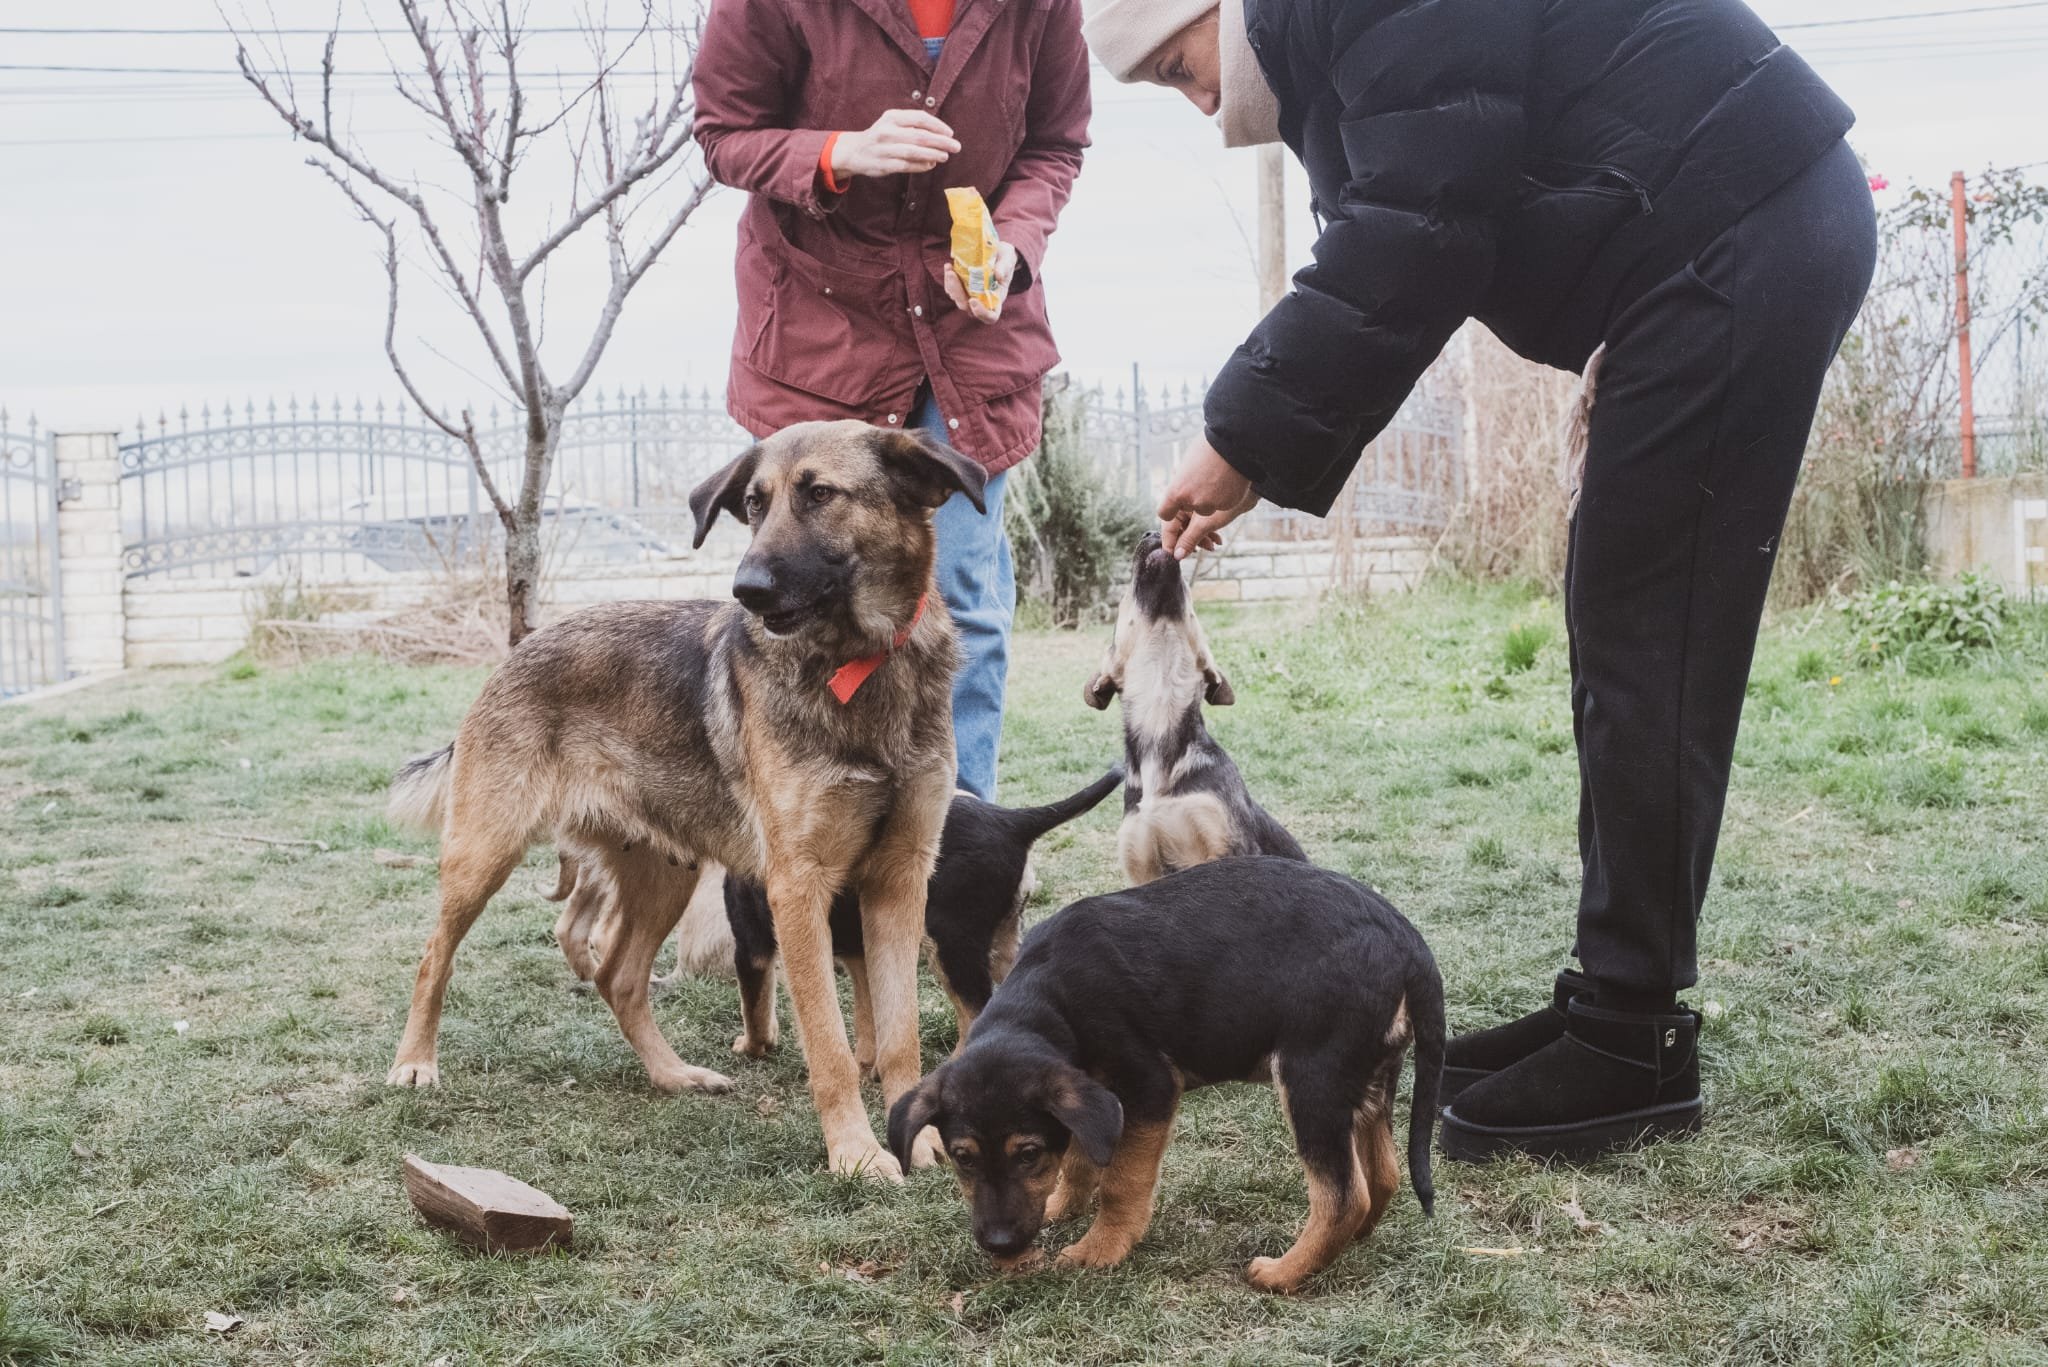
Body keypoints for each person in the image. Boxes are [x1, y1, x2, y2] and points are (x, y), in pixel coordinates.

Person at [1081, 0, 1877, 1160]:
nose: (1192, 98)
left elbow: (1416, 233)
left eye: (1175, 63)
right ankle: (1609, 1001)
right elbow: (1403, 238)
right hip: (1716, 238)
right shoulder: (1334, 47)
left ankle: (1628, 1043)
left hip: (1729, 232)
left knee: (1651, 650)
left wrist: (1240, 431)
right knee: (1625, 648)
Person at [694, 0, 1092, 799]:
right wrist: (841, 152)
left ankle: (956, 840)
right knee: (799, 606)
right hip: (820, 333)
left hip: (969, 337)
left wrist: (1011, 245)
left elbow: (1056, 144)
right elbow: (724, 132)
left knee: (967, 602)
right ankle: (802, 828)